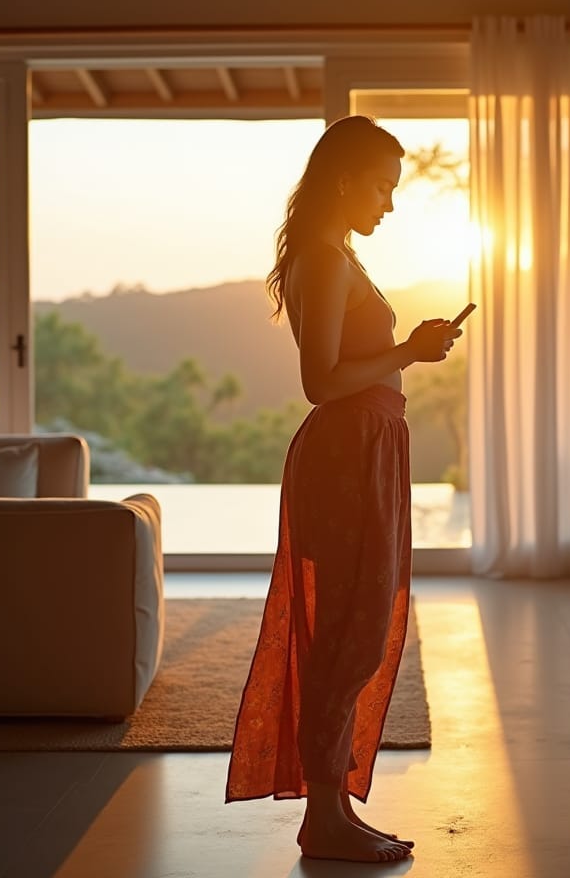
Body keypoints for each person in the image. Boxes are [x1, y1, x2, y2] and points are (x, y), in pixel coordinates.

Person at [224, 115, 461, 864]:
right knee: (347, 635)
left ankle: (330, 810)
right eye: (384, 185)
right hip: (346, 452)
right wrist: (408, 351)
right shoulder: (324, 262)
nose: (389, 203)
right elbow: (319, 381)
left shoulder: (337, 255)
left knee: (356, 631)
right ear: (344, 178)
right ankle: (324, 816)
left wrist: (408, 354)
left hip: (370, 449)